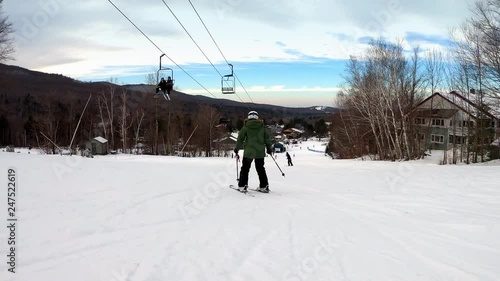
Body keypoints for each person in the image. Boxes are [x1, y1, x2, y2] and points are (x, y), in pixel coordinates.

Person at [234, 110, 273, 193]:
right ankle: (264, 186)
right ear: (257, 117)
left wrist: (237, 148)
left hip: (249, 152)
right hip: (260, 152)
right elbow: (267, 139)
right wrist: (269, 148)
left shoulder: (246, 127)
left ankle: (242, 185)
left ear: (248, 117)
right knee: (260, 169)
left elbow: (240, 139)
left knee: (245, 169)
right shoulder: (262, 127)